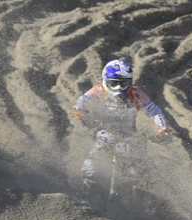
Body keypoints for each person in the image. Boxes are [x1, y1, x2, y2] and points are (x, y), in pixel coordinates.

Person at [71, 59, 169, 189]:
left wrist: (163, 130)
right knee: (90, 168)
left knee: (142, 172)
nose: (118, 87)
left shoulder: (135, 94)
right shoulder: (97, 91)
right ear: (105, 80)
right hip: (104, 133)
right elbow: (77, 107)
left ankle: (144, 194)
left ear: (130, 82)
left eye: (123, 83)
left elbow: (154, 111)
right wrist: (88, 120)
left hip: (129, 137)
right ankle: (87, 194)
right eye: (114, 83)